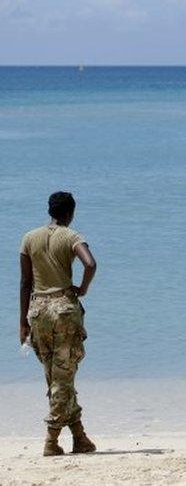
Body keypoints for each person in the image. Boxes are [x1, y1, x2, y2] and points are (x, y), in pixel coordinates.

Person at [19, 191, 98, 456]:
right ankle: (51, 440)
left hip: (37, 310)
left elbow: (25, 283)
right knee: (62, 379)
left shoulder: (29, 238)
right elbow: (90, 263)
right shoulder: (71, 236)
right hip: (63, 310)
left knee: (56, 377)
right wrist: (83, 289)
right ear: (70, 213)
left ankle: (79, 436)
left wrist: (22, 323)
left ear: (50, 211)